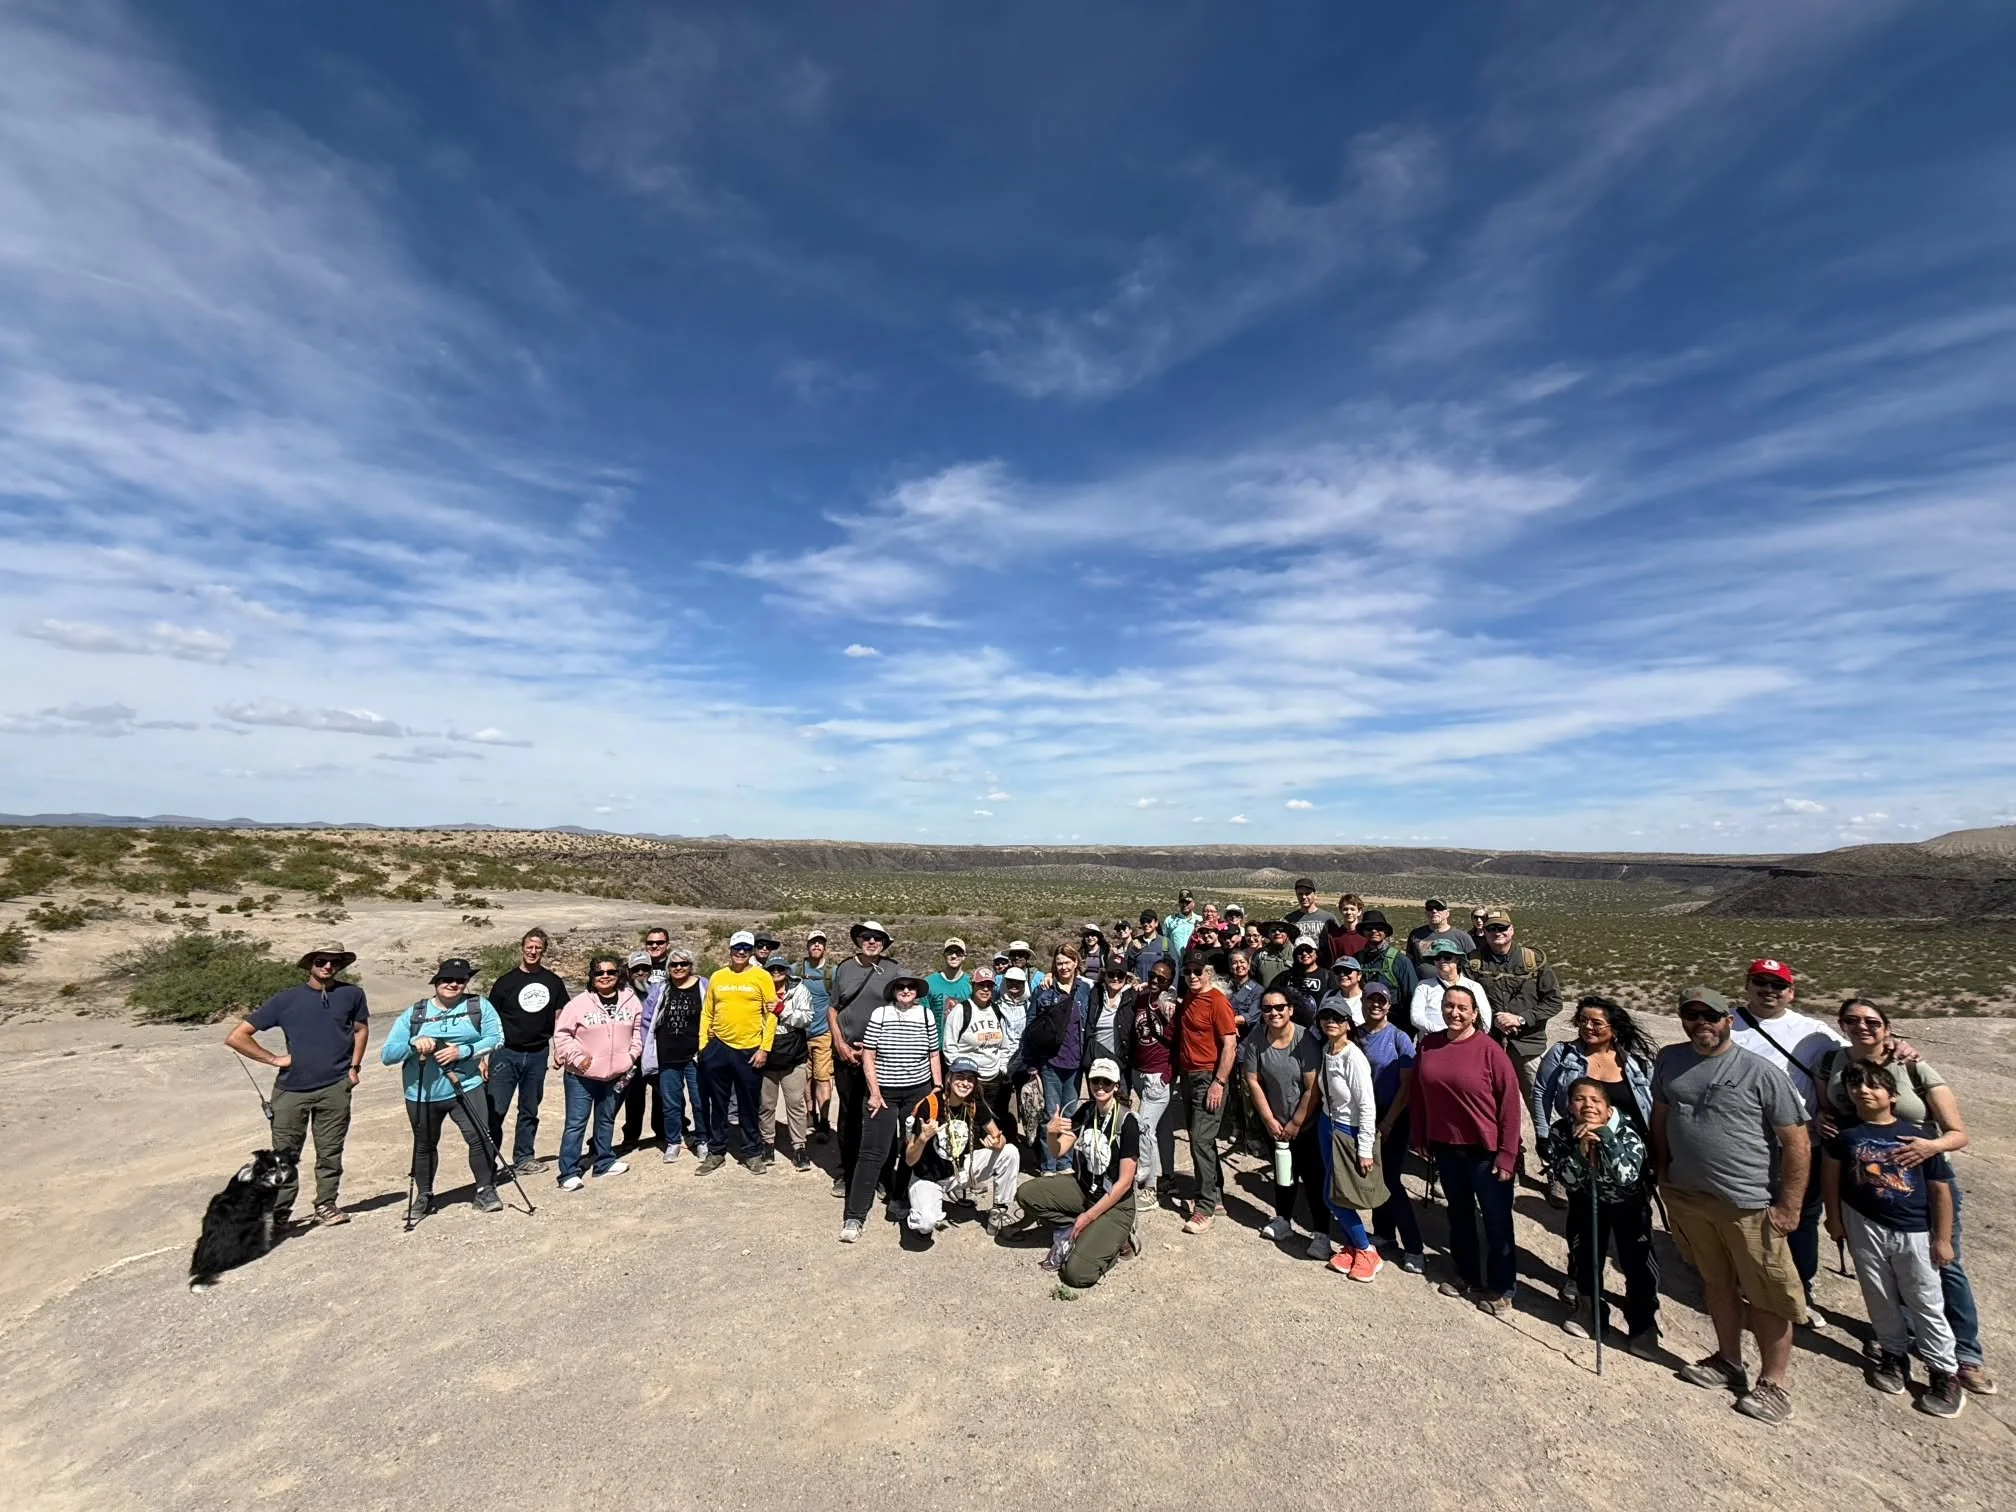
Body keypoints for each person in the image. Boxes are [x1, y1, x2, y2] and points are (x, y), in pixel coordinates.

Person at [1817, 998, 1994, 1396]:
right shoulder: (1833, 1064)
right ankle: (1898, 1344)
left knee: (1943, 1267)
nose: (1862, 1027)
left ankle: (1964, 1356)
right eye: (1852, 1020)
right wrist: (1821, 1120)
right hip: (1864, 1182)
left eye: (1872, 1021)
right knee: (1882, 1272)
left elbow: (1957, 1132)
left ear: (1888, 1026)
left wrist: (1930, 1148)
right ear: (1841, 1025)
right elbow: (1828, 1112)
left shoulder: (1911, 1064)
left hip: (1921, 1180)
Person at [1652, 986, 1811, 1426]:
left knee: (1767, 1293)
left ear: (1729, 1020)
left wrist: (1789, 1206)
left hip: (1748, 1202)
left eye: (1711, 1015)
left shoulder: (1760, 1072)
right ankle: (1728, 1360)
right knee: (1716, 1283)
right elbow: (1662, 1115)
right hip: (1689, 1195)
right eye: (1692, 1015)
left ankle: (1774, 1383)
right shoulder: (1670, 1060)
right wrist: (1662, 1169)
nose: (1701, 1023)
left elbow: (1796, 1143)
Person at [1822, 1062, 1965, 1417]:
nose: (1863, 1091)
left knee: (1925, 1297)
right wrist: (1835, 1219)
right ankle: (1893, 1353)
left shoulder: (1915, 1136)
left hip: (1913, 1227)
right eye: (1856, 1085)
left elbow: (1940, 1190)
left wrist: (1943, 1238)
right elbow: (1831, 1179)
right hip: (1863, 1223)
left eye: (1874, 1086)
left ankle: (1943, 1370)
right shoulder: (1844, 1133)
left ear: (1894, 1095)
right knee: (1878, 1292)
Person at [1729, 957, 1849, 1325]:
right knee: (1745, 1213)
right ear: (1748, 985)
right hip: (1744, 1140)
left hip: (1800, 1140)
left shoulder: (1814, 1032)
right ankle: (1749, 1281)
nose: (1769, 990)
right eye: (1761, 982)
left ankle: (1800, 1289)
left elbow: (1857, 1058)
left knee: (1801, 1215)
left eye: (1777, 985)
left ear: (1791, 991)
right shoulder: (1727, 1023)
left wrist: (1900, 1051)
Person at [226, 940, 369, 1229]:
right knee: (284, 1155)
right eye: (321, 961)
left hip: (334, 1087)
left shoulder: (352, 994)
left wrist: (354, 1067)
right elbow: (237, 1036)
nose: (328, 966)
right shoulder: (285, 1000)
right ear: (310, 964)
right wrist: (273, 1059)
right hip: (291, 1091)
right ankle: (280, 1212)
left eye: (335, 962)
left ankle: (326, 1204)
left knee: (330, 1151)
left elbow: (361, 1029)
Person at [1408, 985, 1521, 1315]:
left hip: (1484, 1150)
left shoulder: (1490, 1051)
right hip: (1445, 1145)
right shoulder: (1429, 1044)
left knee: (1496, 1220)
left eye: (1462, 1008)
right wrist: (1421, 1135)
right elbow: (1419, 1094)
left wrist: (1508, 1154)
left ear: (1474, 1013)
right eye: (1448, 1006)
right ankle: (1466, 1274)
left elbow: (1509, 1107)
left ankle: (1501, 1287)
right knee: (1459, 1214)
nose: (1454, 1013)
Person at [1004, 1057, 1140, 1292]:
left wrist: (1089, 1216)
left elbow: (1125, 1182)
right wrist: (1050, 1133)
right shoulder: (1087, 1111)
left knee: (1075, 1274)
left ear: (1116, 1086)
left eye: (1106, 1082)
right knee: (1026, 1194)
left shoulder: (1126, 1122)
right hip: (1084, 1189)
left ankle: (1118, 1239)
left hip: (1115, 1203)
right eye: (1095, 1080)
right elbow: (1058, 1152)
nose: (1100, 1086)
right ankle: (1084, 1229)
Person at [1546, 1078, 1660, 1354]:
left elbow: (1626, 1175)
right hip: (1586, 1202)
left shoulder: (1626, 1128)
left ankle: (1643, 1324)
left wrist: (1606, 1139)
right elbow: (1567, 1179)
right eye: (1579, 1100)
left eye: (1595, 1100)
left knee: (1637, 1264)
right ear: (1569, 1106)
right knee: (1584, 1257)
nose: (1588, 1106)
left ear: (1608, 1108)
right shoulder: (1562, 1131)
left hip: (1628, 1205)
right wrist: (1581, 1152)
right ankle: (1590, 1312)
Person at [381, 958, 504, 1214]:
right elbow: (388, 1055)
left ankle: (484, 1189)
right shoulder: (415, 1013)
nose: (453, 984)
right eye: (447, 979)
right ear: (436, 982)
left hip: (466, 1086)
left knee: (480, 1137)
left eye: (460, 980)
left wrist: (464, 1051)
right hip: (422, 1092)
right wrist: (414, 1045)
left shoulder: (478, 1006)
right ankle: (424, 1195)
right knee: (424, 1144)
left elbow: (496, 1039)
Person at [840, 974, 943, 1243]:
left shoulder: (926, 1016)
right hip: (883, 1093)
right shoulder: (881, 1014)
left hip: (917, 1092)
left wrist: (938, 1086)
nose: (906, 990)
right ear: (893, 991)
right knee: (873, 1152)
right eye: (901, 987)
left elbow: (933, 1053)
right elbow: (869, 1054)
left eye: (911, 987)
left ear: (917, 992)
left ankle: (900, 1198)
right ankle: (855, 1215)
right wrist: (873, 1092)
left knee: (913, 1147)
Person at [1532, 995, 1656, 1208]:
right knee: (1585, 1216)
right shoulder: (1563, 1054)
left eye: (1596, 1023)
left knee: (1633, 1220)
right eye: (1583, 1021)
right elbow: (1542, 1091)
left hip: (1626, 1151)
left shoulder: (1636, 1062)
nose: (1588, 1027)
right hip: (1580, 1147)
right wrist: (1543, 1134)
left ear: (1613, 1027)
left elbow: (1653, 1101)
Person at [1466, 908, 1563, 1177]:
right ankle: (1511, 1155)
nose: (1498, 933)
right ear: (1483, 932)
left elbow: (1554, 1001)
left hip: (1527, 1045)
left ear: (1512, 931)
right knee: (1496, 1106)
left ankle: (1554, 1166)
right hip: (1491, 1046)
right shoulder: (1474, 963)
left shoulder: (1533, 961)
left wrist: (1521, 1019)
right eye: (1492, 929)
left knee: (1540, 1105)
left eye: (1502, 928)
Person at [1240, 989, 1325, 1253]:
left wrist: (1296, 1123)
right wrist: (1268, 1119)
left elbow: (1313, 1088)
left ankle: (1321, 1232)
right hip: (1275, 1121)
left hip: (1306, 1122)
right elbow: (1252, 1079)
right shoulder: (1256, 1039)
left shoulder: (1305, 1040)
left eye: (1279, 1007)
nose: (1274, 1013)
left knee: (1313, 1177)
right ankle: (1283, 1219)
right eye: (1267, 1009)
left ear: (1290, 1009)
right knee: (1282, 1173)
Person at [551, 955, 644, 1192]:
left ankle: (604, 1161)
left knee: (606, 1119)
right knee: (576, 1123)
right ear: (591, 977)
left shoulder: (630, 1000)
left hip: (614, 1073)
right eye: (599, 973)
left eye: (610, 972)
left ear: (618, 975)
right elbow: (562, 1035)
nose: (605, 976)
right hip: (580, 1077)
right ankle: (568, 1172)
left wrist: (631, 1056)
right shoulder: (578, 1004)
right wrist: (577, 1058)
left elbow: (637, 1031)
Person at [902, 1060, 1021, 1239]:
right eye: (960, 1077)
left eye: (970, 1079)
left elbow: (999, 1137)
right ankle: (917, 1203)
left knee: (1010, 1152)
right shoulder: (930, 1106)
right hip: (929, 1177)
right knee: (926, 1224)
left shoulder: (973, 1104)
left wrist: (998, 1142)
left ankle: (999, 1212)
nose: (965, 1083)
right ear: (949, 1078)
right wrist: (923, 1138)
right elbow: (909, 1159)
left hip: (961, 1170)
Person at [482, 927, 565, 1177]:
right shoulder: (506, 982)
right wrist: (482, 1057)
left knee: (530, 1109)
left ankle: (524, 1157)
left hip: (537, 1054)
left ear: (544, 950)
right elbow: (489, 1020)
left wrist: (558, 1048)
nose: (533, 951)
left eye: (538, 947)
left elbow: (559, 1015)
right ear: (522, 948)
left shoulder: (553, 981)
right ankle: (488, 1163)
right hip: (506, 1053)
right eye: (529, 946)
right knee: (495, 1110)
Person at [1355, 982, 1424, 1272]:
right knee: (1375, 1176)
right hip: (1364, 1113)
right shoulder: (1355, 1035)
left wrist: (1388, 1121)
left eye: (1381, 1001)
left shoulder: (1399, 1038)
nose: (1375, 1005)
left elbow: (1407, 1086)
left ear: (1388, 1005)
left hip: (1393, 1113)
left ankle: (1414, 1247)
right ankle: (1384, 1233)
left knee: (1392, 1180)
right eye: (1370, 1000)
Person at [828, 920, 900, 1200]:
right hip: (847, 1054)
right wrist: (840, 1044)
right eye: (867, 937)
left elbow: (901, 1007)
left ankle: (883, 1174)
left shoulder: (892, 969)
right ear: (858, 940)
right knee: (849, 1115)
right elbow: (833, 1009)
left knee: (882, 1114)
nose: (872, 942)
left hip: (881, 1055)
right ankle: (848, 1172)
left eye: (878, 938)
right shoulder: (844, 968)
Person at [1313, 1000, 1383, 1280]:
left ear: (1348, 1023)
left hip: (1347, 1130)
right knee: (1334, 1192)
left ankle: (1367, 1250)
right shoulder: (1327, 1051)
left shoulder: (1353, 1058)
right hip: (1326, 1124)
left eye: (1338, 1018)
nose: (1331, 1022)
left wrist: (1364, 1149)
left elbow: (1367, 1105)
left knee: (1337, 1197)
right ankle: (1354, 1246)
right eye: (1326, 1017)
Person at [698, 930, 778, 1175]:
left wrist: (765, 1048)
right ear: (730, 949)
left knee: (748, 1105)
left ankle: (752, 1152)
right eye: (737, 948)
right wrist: (703, 1046)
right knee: (718, 1104)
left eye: (746, 948)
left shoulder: (762, 977)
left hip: (749, 1049)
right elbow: (707, 1012)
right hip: (719, 1047)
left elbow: (771, 1014)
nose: (741, 952)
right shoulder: (718, 977)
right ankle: (716, 1151)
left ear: (752, 950)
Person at [1173, 956, 1239, 1235]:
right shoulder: (1188, 997)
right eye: (1187, 972)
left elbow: (1230, 1044)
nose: (1192, 976)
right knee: (1200, 1138)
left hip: (1208, 1078)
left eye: (1198, 971)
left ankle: (1206, 1207)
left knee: (1200, 1139)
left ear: (1208, 973)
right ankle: (1215, 1193)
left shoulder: (1217, 1001)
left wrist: (1219, 1082)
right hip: (1188, 1077)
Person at [1026, 947, 1092, 1172]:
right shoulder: (1044, 991)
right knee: (1050, 1115)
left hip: (1075, 1063)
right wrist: (1032, 1061)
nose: (1063, 967)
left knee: (1070, 1115)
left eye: (1068, 962)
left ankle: (1065, 1162)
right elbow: (1032, 1025)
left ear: (1076, 963)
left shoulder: (1085, 990)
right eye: (1059, 963)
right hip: (1050, 1062)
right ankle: (1048, 1164)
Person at [646, 946, 706, 1163]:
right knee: (671, 1103)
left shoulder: (703, 985)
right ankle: (673, 1141)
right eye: (674, 964)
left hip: (695, 1056)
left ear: (691, 966)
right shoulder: (661, 988)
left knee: (699, 1100)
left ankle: (702, 1140)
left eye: (683, 964)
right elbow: (648, 1018)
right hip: (667, 1055)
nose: (679, 968)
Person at [942, 967, 1015, 1144]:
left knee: (991, 1123)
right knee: (970, 1123)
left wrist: (1002, 1067)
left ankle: (989, 1161)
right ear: (973, 986)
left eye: (989, 986)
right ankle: (966, 1160)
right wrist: (960, 1075)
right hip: (970, 1080)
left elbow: (1005, 1044)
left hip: (993, 1078)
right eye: (981, 985)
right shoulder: (962, 1010)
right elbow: (949, 1045)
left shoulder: (997, 1011)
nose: (985, 989)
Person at [1128, 957, 1179, 1204]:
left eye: (1162, 978)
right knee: (1163, 1127)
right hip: (1139, 1071)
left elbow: (1177, 1040)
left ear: (1170, 981)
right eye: (1153, 976)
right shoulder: (1142, 997)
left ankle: (1147, 1184)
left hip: (1158, 1074)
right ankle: (1167, 1176)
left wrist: (1169, 1073)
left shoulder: (1169, 1003)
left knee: (1144, 1127)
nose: (1156, 981)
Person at [759, 953, 815, 1172]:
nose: (776, 973)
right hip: (766, 1053)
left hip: (793, 1055)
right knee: (766, 1104)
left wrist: (783, 1010)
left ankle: (799, 1146)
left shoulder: (799, 990)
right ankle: (767, 1143)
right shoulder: (760, 990)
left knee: (796, 1104)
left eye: (780, 969)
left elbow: (807, 1018)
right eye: (772, 969)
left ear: (786, 971)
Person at [619, 949, 666, 1154]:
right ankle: (630, 1136)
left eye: (644, 968)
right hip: (630, 1055)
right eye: (635, 969)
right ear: (628, 972)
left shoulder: (660, 991)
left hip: (655, 1052)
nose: (640, 973)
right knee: (631, 1094)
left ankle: (663, 1131)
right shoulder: (622, 995)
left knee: (662, 1094)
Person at [797, 930, 836, 1140]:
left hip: (823, 1034)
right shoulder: (796, 970)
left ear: (825, 947)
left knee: (822, 1078)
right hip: (800, 1035)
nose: (816, 946)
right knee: (805, 1078)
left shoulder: (833, 973)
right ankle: (810, 1115)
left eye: (820, 943)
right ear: (807, 946)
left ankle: (824, 1121)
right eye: (813, 943)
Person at [1408, 940, 1492, 1036]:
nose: (1442, 961)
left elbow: (1485, 1017)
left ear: (1457, 959)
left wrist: (1473, 1037)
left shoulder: (1474, 987)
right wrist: (1442, 1032)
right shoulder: (1423, 986)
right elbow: (1416, 1017)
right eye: (1437, 957)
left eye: (1447, 957)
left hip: (1466, 1041)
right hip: (1433, 1042)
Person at [1355, 912, 1418, 1009]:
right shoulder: (1356, 959)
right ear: (1363, 932)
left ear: (1386, 932)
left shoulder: (1400, 961)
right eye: (1368, 928)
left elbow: (1411, 995)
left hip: (1394, 1019)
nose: (1374, 931)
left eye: (1379, 928)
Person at [925, 938, 973, 1040]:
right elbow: (923, 1016)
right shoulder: (929, 983)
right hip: (936, 1047)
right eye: (950, 952)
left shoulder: (971, 984)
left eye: (958, 953)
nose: (954, 956)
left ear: (964, 957)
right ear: (944, 955)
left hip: (963, 1045)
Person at [1273, 938, 1329, 1025]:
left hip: (1318, 1029)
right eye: (1299, 951)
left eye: (1308, 950)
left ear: (1316, 953)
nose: (1304, 953)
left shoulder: (1328, 976)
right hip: (1290, 1028)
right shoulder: (1285, 977)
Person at [1406, 898, 1474, 965]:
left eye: (1439, 908)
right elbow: (1409, 961)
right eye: (1430, 908)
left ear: (1447, 913)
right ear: (1426, 913)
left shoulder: (1462, 937)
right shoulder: (1416, 934)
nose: (1434, 911)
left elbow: (1472, 963)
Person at [1284, 878, 1338, 946]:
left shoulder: (1328, 918)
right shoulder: (1289, 919)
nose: (1303, 897)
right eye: (1300, 894)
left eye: (1307, 893)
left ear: (1315, 895)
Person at [1320, 894, 1368, 967]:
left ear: (1359, 912)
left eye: (1352, 909)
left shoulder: (1366, 935)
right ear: (1340, 910)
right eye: (1345, 909)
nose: (1349, 912)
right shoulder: (1333, 937)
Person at [1319, 957, 1365, 1025]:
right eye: (1337, 971)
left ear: (1359, 975)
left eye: (1347, 971)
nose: (1342, 974)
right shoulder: (1329, 995)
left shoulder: (1367, 998)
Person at [1131, 909, 1168, 984]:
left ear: (1156, 923)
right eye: (1143, 921)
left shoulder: (1165, 941)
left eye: (1149, 921)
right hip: (1138, 988)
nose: (1146, 924)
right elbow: (1127, 965)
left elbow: (1173, 966)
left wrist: (1172, 987)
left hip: (1157, 987)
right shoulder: (1135, 941)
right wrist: (1134, 952)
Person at [1254, 920, 1295, 987]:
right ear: (1268, 934)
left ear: (1288, 933)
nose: (1277, 932)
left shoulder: (1297, 953)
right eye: (1273, 930)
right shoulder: (1259, 954)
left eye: (1282, 930)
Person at [1161, 892, 1200, 962]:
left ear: (1193, 903)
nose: (1184, 905)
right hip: (1175, 962)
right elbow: (1165, 940)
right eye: (1182, 902)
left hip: (1193, 962)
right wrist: (1165, 955)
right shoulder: (1170, 920)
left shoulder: (1199, 919)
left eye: (1187, 902)